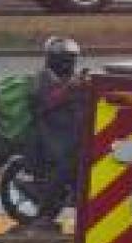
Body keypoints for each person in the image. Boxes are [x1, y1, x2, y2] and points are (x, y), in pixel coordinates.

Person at [27, 36, 89, 229]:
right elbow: (45, 102)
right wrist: (69, 89)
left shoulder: (72, 77)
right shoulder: (43, 78)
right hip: (51, 132)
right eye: (65, 58)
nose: (69, 62)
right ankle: (44, 214)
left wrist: (87, 85)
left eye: (71, 58)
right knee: (67, 164)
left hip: (73, 130)